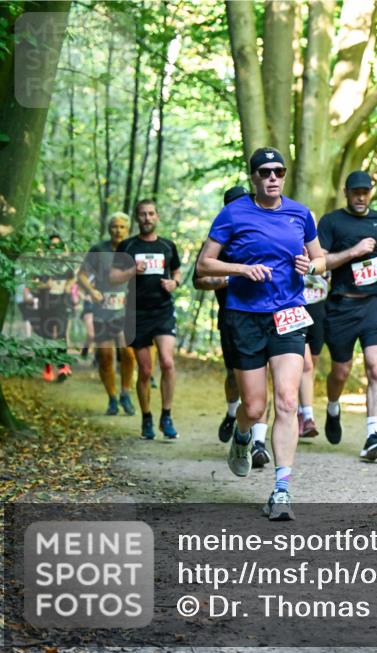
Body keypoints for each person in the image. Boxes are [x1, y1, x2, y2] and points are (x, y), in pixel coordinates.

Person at [197, 147, 326, 521]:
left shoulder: (300, 214)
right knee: (254, 408)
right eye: (265, 172)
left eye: (279, 171)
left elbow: (320, 259)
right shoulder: (233, 213)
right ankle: (241, 436)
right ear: (253, 177)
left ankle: (281, 490)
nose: (273, 177)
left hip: (287, 315)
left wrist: (311, 264)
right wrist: (240, 269)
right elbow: (205, 264)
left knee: (287, 400)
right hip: (245, 317)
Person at [318, 170, 377, 461]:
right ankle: (333, 406)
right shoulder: (331, 222)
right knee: (341, 371)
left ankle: (372, 436)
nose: (361, 197)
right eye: (356, 192)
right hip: (341, 306)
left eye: (365, 192)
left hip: (374, 304)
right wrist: (353, 251)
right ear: (346, 193)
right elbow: (319, 261)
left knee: (376, 369)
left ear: (371, 193)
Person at [193, 185, 274, 467]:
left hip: (266, 316)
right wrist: (233, 277)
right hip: (232, 318)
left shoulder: (263, 235)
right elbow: (199, 280)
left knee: (264, 378)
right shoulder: (219, 242)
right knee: (234, 376)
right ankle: (232, 413)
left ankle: (259, 443)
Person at [111, 199, 182, 440]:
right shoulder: (127, 246)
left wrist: (175, 283)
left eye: (151, 214)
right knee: (145, 369)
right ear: (136, 218)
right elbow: (113, 277)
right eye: (142, 214)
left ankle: (167, 415)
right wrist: (132, 271)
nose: (147, 218)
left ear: (157, 217)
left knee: (167, 362)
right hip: (137, 314)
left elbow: (177, 271)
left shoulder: (167, 245)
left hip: (163, 310)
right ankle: (147, 418)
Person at [78, 212, 137, 415]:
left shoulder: (132, 248)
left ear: (127, 229)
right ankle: (112, 398)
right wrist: (92, 291)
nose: (117, 230)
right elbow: (82, 275)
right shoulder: (98, 250)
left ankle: (125, 393)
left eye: (121, 227)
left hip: (125, 310)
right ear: (108, 228)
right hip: (102, 310)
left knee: (129, 353)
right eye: (114, 226)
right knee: (105, 356)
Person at [31, 234, 75, 382]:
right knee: (47, 335)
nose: (55, 249)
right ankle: (48, 366)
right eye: (52, 246)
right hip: (45, 302)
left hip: (62, 302)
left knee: (61, 334)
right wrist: (44, 285)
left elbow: (72, 278)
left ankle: (63, 367)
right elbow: (32, 285)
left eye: (58, 246)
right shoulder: (41, 265)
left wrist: (68, 286)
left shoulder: (66, 265)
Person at [297, 264, 329, 439]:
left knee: (311, 364)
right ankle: (305, 415)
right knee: (304, 364)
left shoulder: (326, 241)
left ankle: (302, 411)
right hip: (294, 307)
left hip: (318, 308)